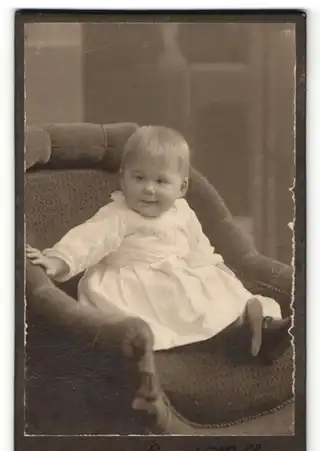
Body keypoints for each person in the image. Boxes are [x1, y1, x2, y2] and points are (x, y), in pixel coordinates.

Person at [26, 125, 291, 363]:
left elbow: (198, 245)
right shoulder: (118, 215)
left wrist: (214, 270)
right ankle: (228, 336)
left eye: (161, 181)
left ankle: (261, 327)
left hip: (181, 270)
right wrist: (57, 259)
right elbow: (87, 240)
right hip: (134, 282)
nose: (149, 189)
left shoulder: (183, 211)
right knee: (177, 304)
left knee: (226, 292)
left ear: (182, 187)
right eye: (139, 178)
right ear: (123, 178)